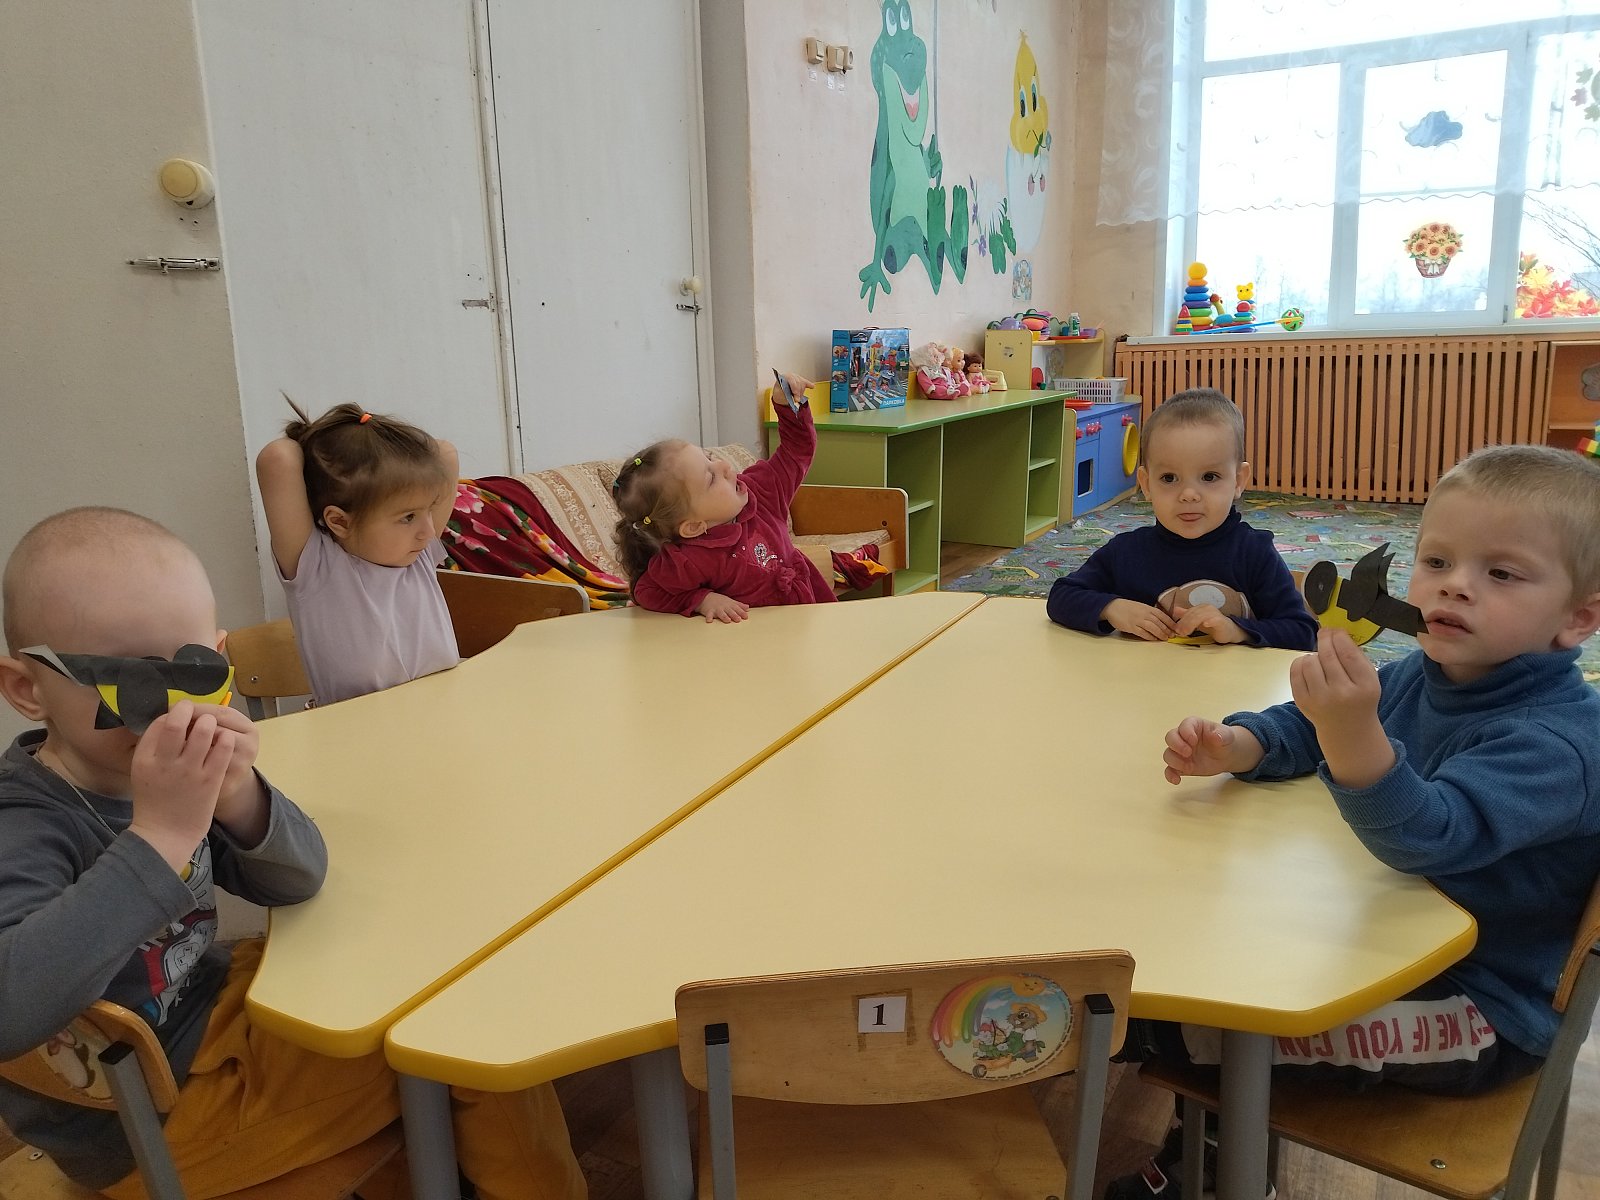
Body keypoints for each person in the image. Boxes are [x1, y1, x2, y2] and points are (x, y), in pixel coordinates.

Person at [0, 507, 586, 1200]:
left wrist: (238, 793)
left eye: (193, 672)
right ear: (28, 689)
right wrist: (160, 838)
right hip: (147, 1120)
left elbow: (298, 878)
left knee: (438, 970)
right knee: (463, 1032)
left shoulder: (171, 774)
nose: (165, 709)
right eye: (125, 679)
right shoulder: (24, 823)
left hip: (219, 1017)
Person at [1109, 444, 1600, 1200]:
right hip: (1381, 939)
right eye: (1437, 561)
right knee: (1219, 966)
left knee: (1195, 1026)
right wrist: (1242, 743)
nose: (1455, 586)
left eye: (1501, 574)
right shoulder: (1427, 674)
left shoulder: (1559, 745)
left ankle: (1210, 1175)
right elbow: (1304, 725)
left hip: (1477, 1007)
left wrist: (1351, 730)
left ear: (1579, 618)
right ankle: (1211, 1147)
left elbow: (1428, 835)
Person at [1047, 389, 1318, 650]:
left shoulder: (1254, 554)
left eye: (1209, 477)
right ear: (1146, 484)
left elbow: (1302, 632)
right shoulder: (1127, 552)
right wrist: (1111, 608)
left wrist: (1237, 630)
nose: (1188, 495)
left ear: (1238, 481)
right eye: (1169, 478)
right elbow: (1061, 596)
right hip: (1146, 678)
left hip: (1227, 681)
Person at [255, 399, 461, 704]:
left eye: (429, 510)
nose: (429, 532)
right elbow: (278, 459)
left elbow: (445, 453)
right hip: (354, 729)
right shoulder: (316, 568)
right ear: (339, 521)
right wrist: (319, 436)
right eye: (408, 517)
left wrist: (377, 435)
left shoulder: (418, 556)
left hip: (440, 718)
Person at [616, 372, 835, 621]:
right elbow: (647, 591)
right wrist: (702, 600)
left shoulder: (760, 490)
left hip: (809, 615)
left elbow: (796, 452)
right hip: (756, 636)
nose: (724, 466)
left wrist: (786, 406)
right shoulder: (690, 559)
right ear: (693, 526)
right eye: (710, 478)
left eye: (709, 458)